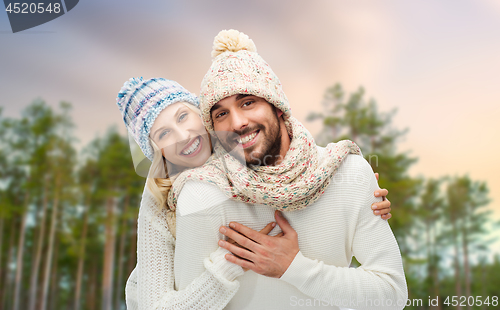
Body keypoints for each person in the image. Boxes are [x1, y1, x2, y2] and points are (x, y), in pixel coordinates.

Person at [167, 29, 408, 309]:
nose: (237, 123)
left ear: (278, 107)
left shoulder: (346, 172)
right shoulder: (202, 192)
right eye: (221, 114)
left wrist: (293, 268)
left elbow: (391, 294)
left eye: (248, 102)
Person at [116, 77, 393, 309]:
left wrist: (353, 185)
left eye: (183, 117)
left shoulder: (246, 149)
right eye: (164, 134)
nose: (183, 135)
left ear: (202, 117)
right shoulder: (161, 194)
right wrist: (231, 263)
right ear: (157, 153)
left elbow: (296, 161)